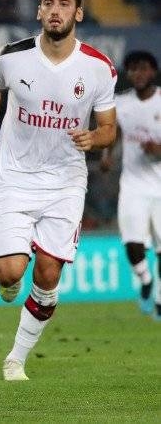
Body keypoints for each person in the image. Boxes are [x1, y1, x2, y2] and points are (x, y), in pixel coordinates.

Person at [0, 0, 118, 381]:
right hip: (14, 176)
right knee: (9, 273)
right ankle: (8, 279)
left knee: (50, 272)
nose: (55, 11)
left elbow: (109, 128)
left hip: (66, 180)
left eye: (64, 4)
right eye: (49, 3)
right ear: (39, 10)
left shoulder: (98, 68)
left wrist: (95, 137)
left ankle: (16, 358)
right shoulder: (11, 56)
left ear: (79, 12)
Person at [100, 50, 161, 319]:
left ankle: (159, 299)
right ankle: (146, 280)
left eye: (144, 68)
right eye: (133, 68)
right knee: (133, 245)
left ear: (153, 72)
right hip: (133, 185)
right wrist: (106, 155)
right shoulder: (121, 103)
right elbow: (112, 131)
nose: (139, 73)